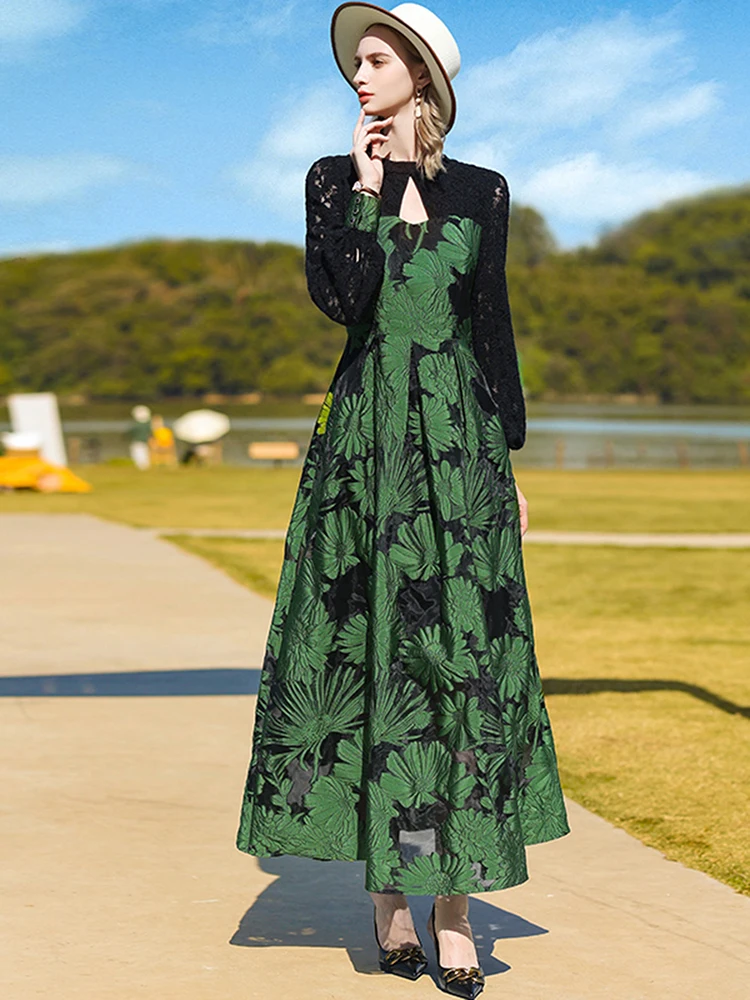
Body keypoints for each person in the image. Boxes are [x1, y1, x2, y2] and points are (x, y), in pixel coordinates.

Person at [236, 4, 570, 995]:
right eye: (356, 63)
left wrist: (507, 462)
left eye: (376, 60)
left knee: (459, 660)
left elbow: (490, 326)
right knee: (372, 653)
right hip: (366, 448)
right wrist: (369, 193)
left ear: (422, 72)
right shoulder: (334, 180)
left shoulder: (483, 191)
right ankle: (391, 901)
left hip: (457, 442)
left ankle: (455, 907)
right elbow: (344, 302)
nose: (359, 76)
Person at [127, 405, 152, 470]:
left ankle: (141, 465)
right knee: (144, 453)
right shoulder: (148, 424)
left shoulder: (136, 425)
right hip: (145, 441)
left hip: (137, 441)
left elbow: (131, 433)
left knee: (138, 453)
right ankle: (144, 465)